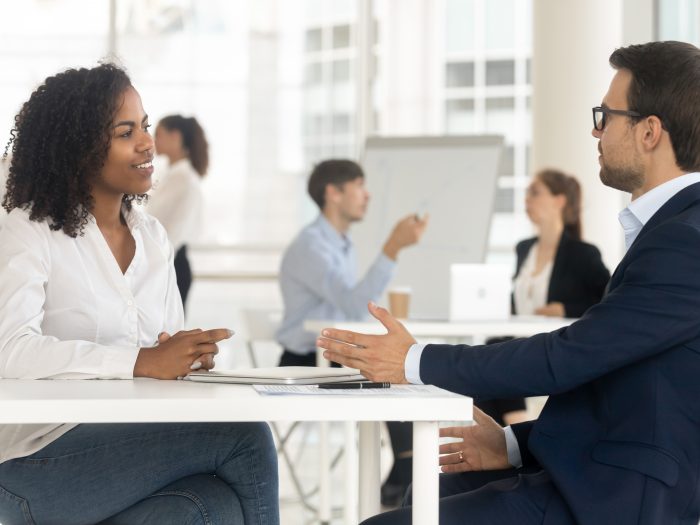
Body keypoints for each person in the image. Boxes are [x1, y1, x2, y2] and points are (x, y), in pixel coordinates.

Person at [317, 40, 700, 525]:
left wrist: (413, 360)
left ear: (649, 131)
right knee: (424, 491)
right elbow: (622, 385)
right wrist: (512, 444)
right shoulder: (673, 229)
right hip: (602, 467)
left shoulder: (685, 241)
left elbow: (569, 356)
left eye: (606, 115)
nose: (594, 130)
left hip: (621, 496)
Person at [0, 64, 279, 525]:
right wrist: (140, 361)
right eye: (126, 132)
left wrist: (184, 356)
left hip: (128, 459)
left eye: (145, 126)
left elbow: (160, 351)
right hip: (33, 466)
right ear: (80, 148)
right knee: (244, 435)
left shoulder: (153, 239)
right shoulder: (28, 230)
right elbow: (8, 351)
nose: (147, 143)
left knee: (213, 509)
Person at [275, 158, 428, 505]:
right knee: (393, 375)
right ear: (334, 193)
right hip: (305, 361)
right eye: (359, 185)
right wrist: (391, 249)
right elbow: (353, 305)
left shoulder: (342, 244)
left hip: (333, 354)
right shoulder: (311, 246)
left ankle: (400, 483)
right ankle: (407, 484)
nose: (367, 195)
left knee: (400, 372)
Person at [479, 168, 610, 426]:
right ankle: (511, 434)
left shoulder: (583, 254)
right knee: (488, 354)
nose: (526, 200)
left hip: (555, 347)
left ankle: (513, 435)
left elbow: (611, 300)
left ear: (559, 201)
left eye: (535, 193)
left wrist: (565, 309)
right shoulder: (523, 248)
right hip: (519, 341)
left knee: (497, 358)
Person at [148, 114, 208, 310]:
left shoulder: (183, 179)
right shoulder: (171, 175)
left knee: (167, 335)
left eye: (158, 134)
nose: (152, 140)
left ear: (175, 136)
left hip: (171, 264)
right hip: (165, 262)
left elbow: (170, 231)